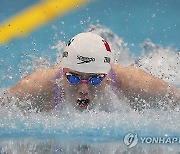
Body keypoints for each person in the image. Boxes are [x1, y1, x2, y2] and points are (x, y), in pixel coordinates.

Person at [9, 32, 180, 112]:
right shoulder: (36, 87)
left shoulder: (135, 84)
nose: (83, 90)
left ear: (106, 77)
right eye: (74, 78)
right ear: (63, 73)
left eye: (95, 80)